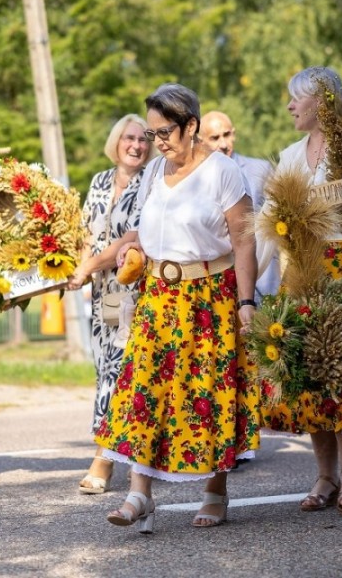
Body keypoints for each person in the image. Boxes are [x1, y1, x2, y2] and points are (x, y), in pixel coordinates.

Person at [93, 83, 259, 533]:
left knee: (209, 392)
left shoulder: (223, 172)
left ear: (191, 126)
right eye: (151, 133)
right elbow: (145, 233)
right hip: (158, 297)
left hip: (210, 295)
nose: (157, 142)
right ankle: (138, 495)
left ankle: (215, 492)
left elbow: (244, 240)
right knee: (143, 390)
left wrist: (246, 302)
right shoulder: (153, 173)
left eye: (165, 131)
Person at [260, 66, 342, 517]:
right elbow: (274, 227)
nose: (291, 106)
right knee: (309, 373)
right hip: (302, 272)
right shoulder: (289, 154)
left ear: (323, 102)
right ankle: (324, 475)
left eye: (298, 98)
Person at [66, 114, 157, 494]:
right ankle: (134, 449)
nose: (136, 145)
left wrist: (90, 265)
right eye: (129, 138)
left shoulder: (150, 183)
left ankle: (103, 459)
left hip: (135, 292)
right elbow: (88, 233)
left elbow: (132, 237)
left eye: (143, 140)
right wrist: (80, 270)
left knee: (117, 372)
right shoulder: (100, 181)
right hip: (103, 294)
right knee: (104, 368)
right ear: (116, 142)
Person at [200, 111, 280, 301]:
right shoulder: (196, 180)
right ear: (201, 141)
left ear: (234, 133)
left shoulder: (262, 170)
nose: (224, 144)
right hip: (218, 283)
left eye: (227, 134)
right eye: (214, 138)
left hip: (263, 280)